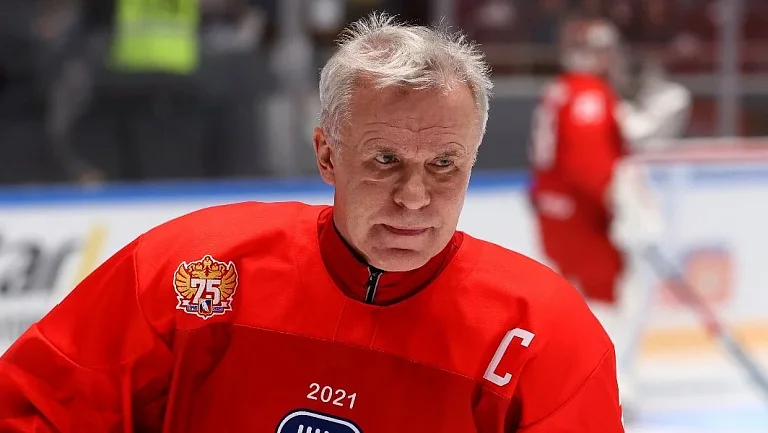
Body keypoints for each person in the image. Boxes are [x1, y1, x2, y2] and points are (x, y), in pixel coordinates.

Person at [0, 13, 623, 432]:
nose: (414, 197)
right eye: (385, 160)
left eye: (443, 164)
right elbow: (32, 410)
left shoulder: (544, 333)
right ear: (327, 154)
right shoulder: (195, 271)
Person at [528, 16, 690, 410]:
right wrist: (626, 208)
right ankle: (600, 387)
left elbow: (596, 144)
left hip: (558, 215)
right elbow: (589, 164)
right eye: (606, 50)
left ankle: (582, 385)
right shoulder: (588, 94)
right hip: (583, 219)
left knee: (580, 300)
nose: (612, 58)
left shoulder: (563, 89)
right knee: (606, 298)